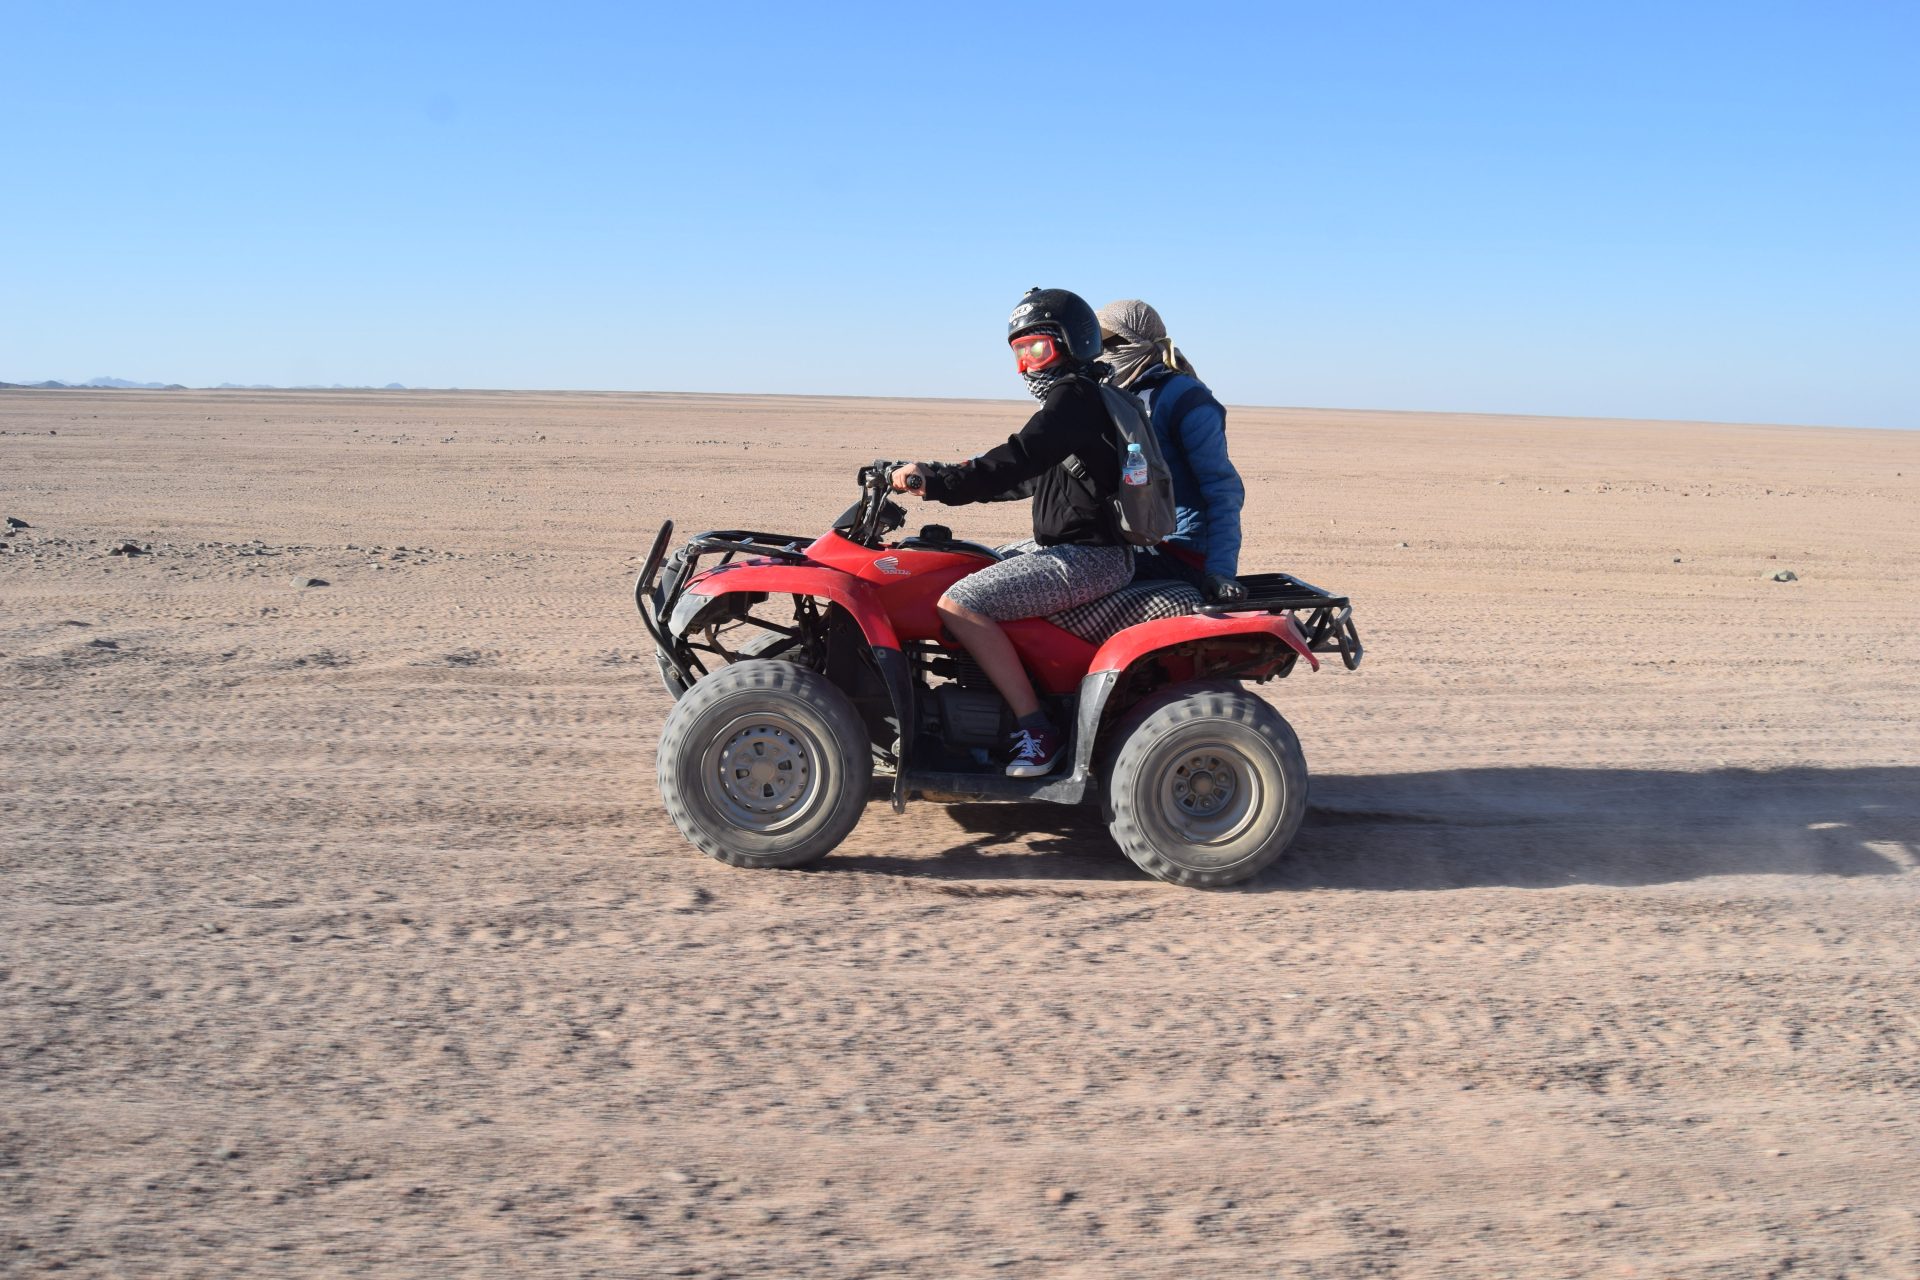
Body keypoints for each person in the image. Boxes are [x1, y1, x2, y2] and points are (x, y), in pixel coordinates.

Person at [890, 288, 1132, 778]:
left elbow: (1018, 455)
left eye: (1036, 349)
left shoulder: (1076, 396)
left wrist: (938, 482)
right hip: (1071, 549)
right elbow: (1024, 477)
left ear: (1072, 343)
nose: (1026, 366)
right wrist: (939, 476)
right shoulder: (1081, 401)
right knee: (965, 563)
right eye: (1018, 352)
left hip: (1091, 557)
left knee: (961, 602)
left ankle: (1035, 729)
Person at [1095, 299, 1247, 603]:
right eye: (1099, 344)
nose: (1104, 354)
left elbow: (1222, 489)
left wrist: (1219, 572)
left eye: (1111, 343)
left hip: (1179, 551)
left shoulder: (1186, 399)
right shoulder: (1122, 393)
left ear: (1135, 343)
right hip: (1136, 545)